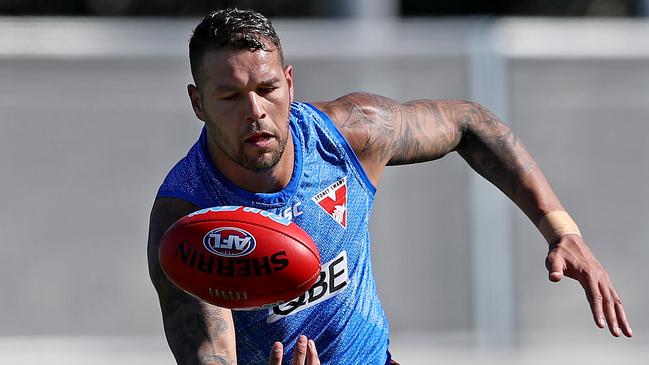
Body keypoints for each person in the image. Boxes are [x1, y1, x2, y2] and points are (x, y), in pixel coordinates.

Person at [147, 8, 632, 365]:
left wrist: (562, 230)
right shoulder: (188, 223)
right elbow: (210, 353)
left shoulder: (348, 136)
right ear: (198, 102)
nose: (254, 111)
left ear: (290, 84)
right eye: (230, 96)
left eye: (267, 89)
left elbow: (470, 122)